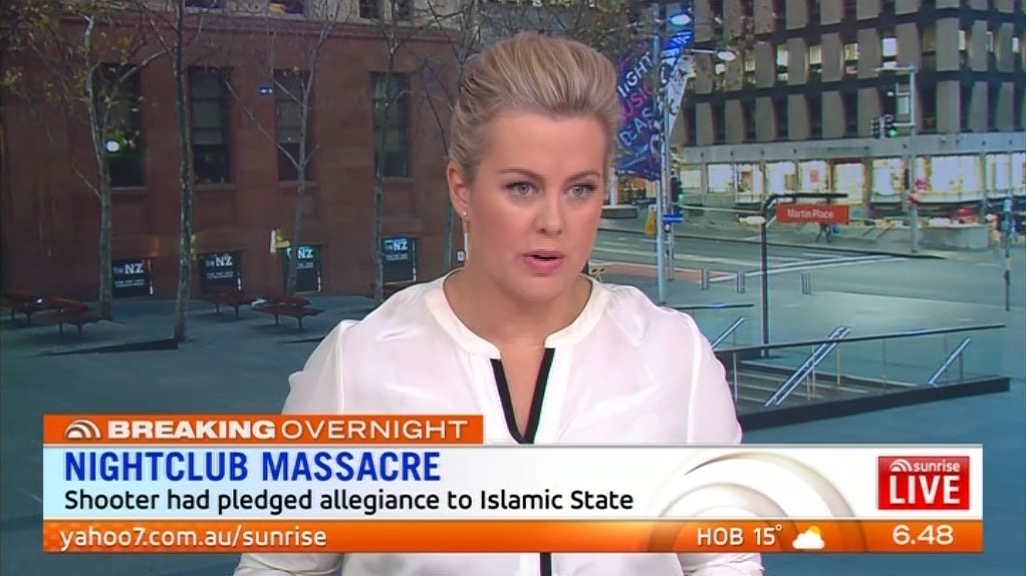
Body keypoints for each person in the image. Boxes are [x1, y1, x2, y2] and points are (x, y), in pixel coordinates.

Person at [235, 32, 763, 576]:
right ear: (461, 189)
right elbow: (278, 567)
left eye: (580, 189)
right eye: (522, 188)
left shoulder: (673, 354)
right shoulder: (358, 365)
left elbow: (725, 559)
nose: (553, 222)